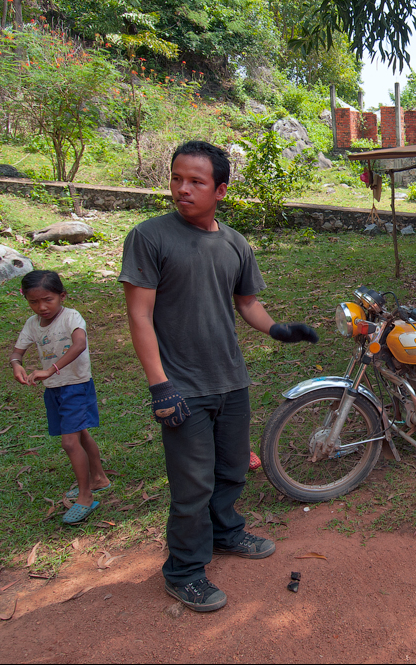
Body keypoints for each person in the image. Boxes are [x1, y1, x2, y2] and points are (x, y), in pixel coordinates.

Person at [119, 140, 317, 613]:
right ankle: (184, 571)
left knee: (230, 469)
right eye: (176, 178)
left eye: (196, 182)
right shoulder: (150, 237)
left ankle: (226, 533)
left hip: (230, 379)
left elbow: (246, 302)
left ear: (220, 190)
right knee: (192, 485)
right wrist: (159, 384)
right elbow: (139, 317)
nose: (182, 189)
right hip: (182, 385)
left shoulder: (234, 243)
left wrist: (278, 329)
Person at [11, 270, 110, 524]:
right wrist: (16, 364)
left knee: (69, 442)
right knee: (80, 433)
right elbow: (18, 350)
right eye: (34, 302)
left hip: (75, 385)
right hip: (53, 388)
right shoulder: (32, 324)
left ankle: (85, 496)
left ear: (62, 296)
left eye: (48, 300)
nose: (41, 307)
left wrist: (50, 369)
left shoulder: (71, 317)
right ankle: (98, 477)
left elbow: (79, 344)